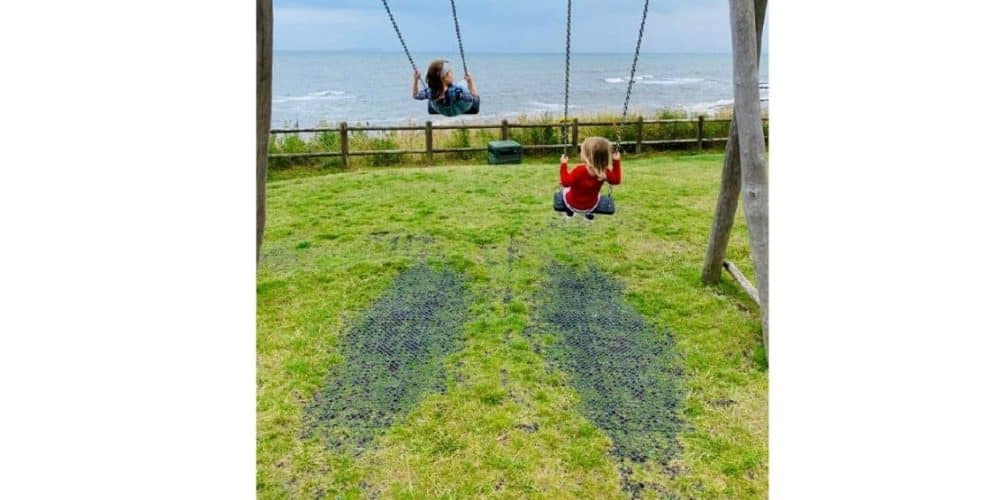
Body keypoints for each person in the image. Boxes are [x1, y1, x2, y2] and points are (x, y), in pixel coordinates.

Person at [559, 136, 621, 220]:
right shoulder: (604, 171)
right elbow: (616, 180)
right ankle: (588, 213)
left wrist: (563, 165)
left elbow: (565, 183)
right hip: (591, 206)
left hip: (572, 204)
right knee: (595, 196)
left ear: (587, 156)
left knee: (565, 190)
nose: (581, 153)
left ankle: (570, 211)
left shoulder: (579, 170)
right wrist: (616, 161)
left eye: (582, 151)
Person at [412, 60, 479, 116]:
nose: (452, 75)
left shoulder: (430, 92)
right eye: (451, 73)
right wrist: (470, 81)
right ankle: (466, 80)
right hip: (459, 109)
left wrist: (416, 80)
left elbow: (415, 95)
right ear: (445, 77)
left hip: (442, 111)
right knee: (463, 83)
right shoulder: (457, 91)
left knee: (432, 100)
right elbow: (474, 97)